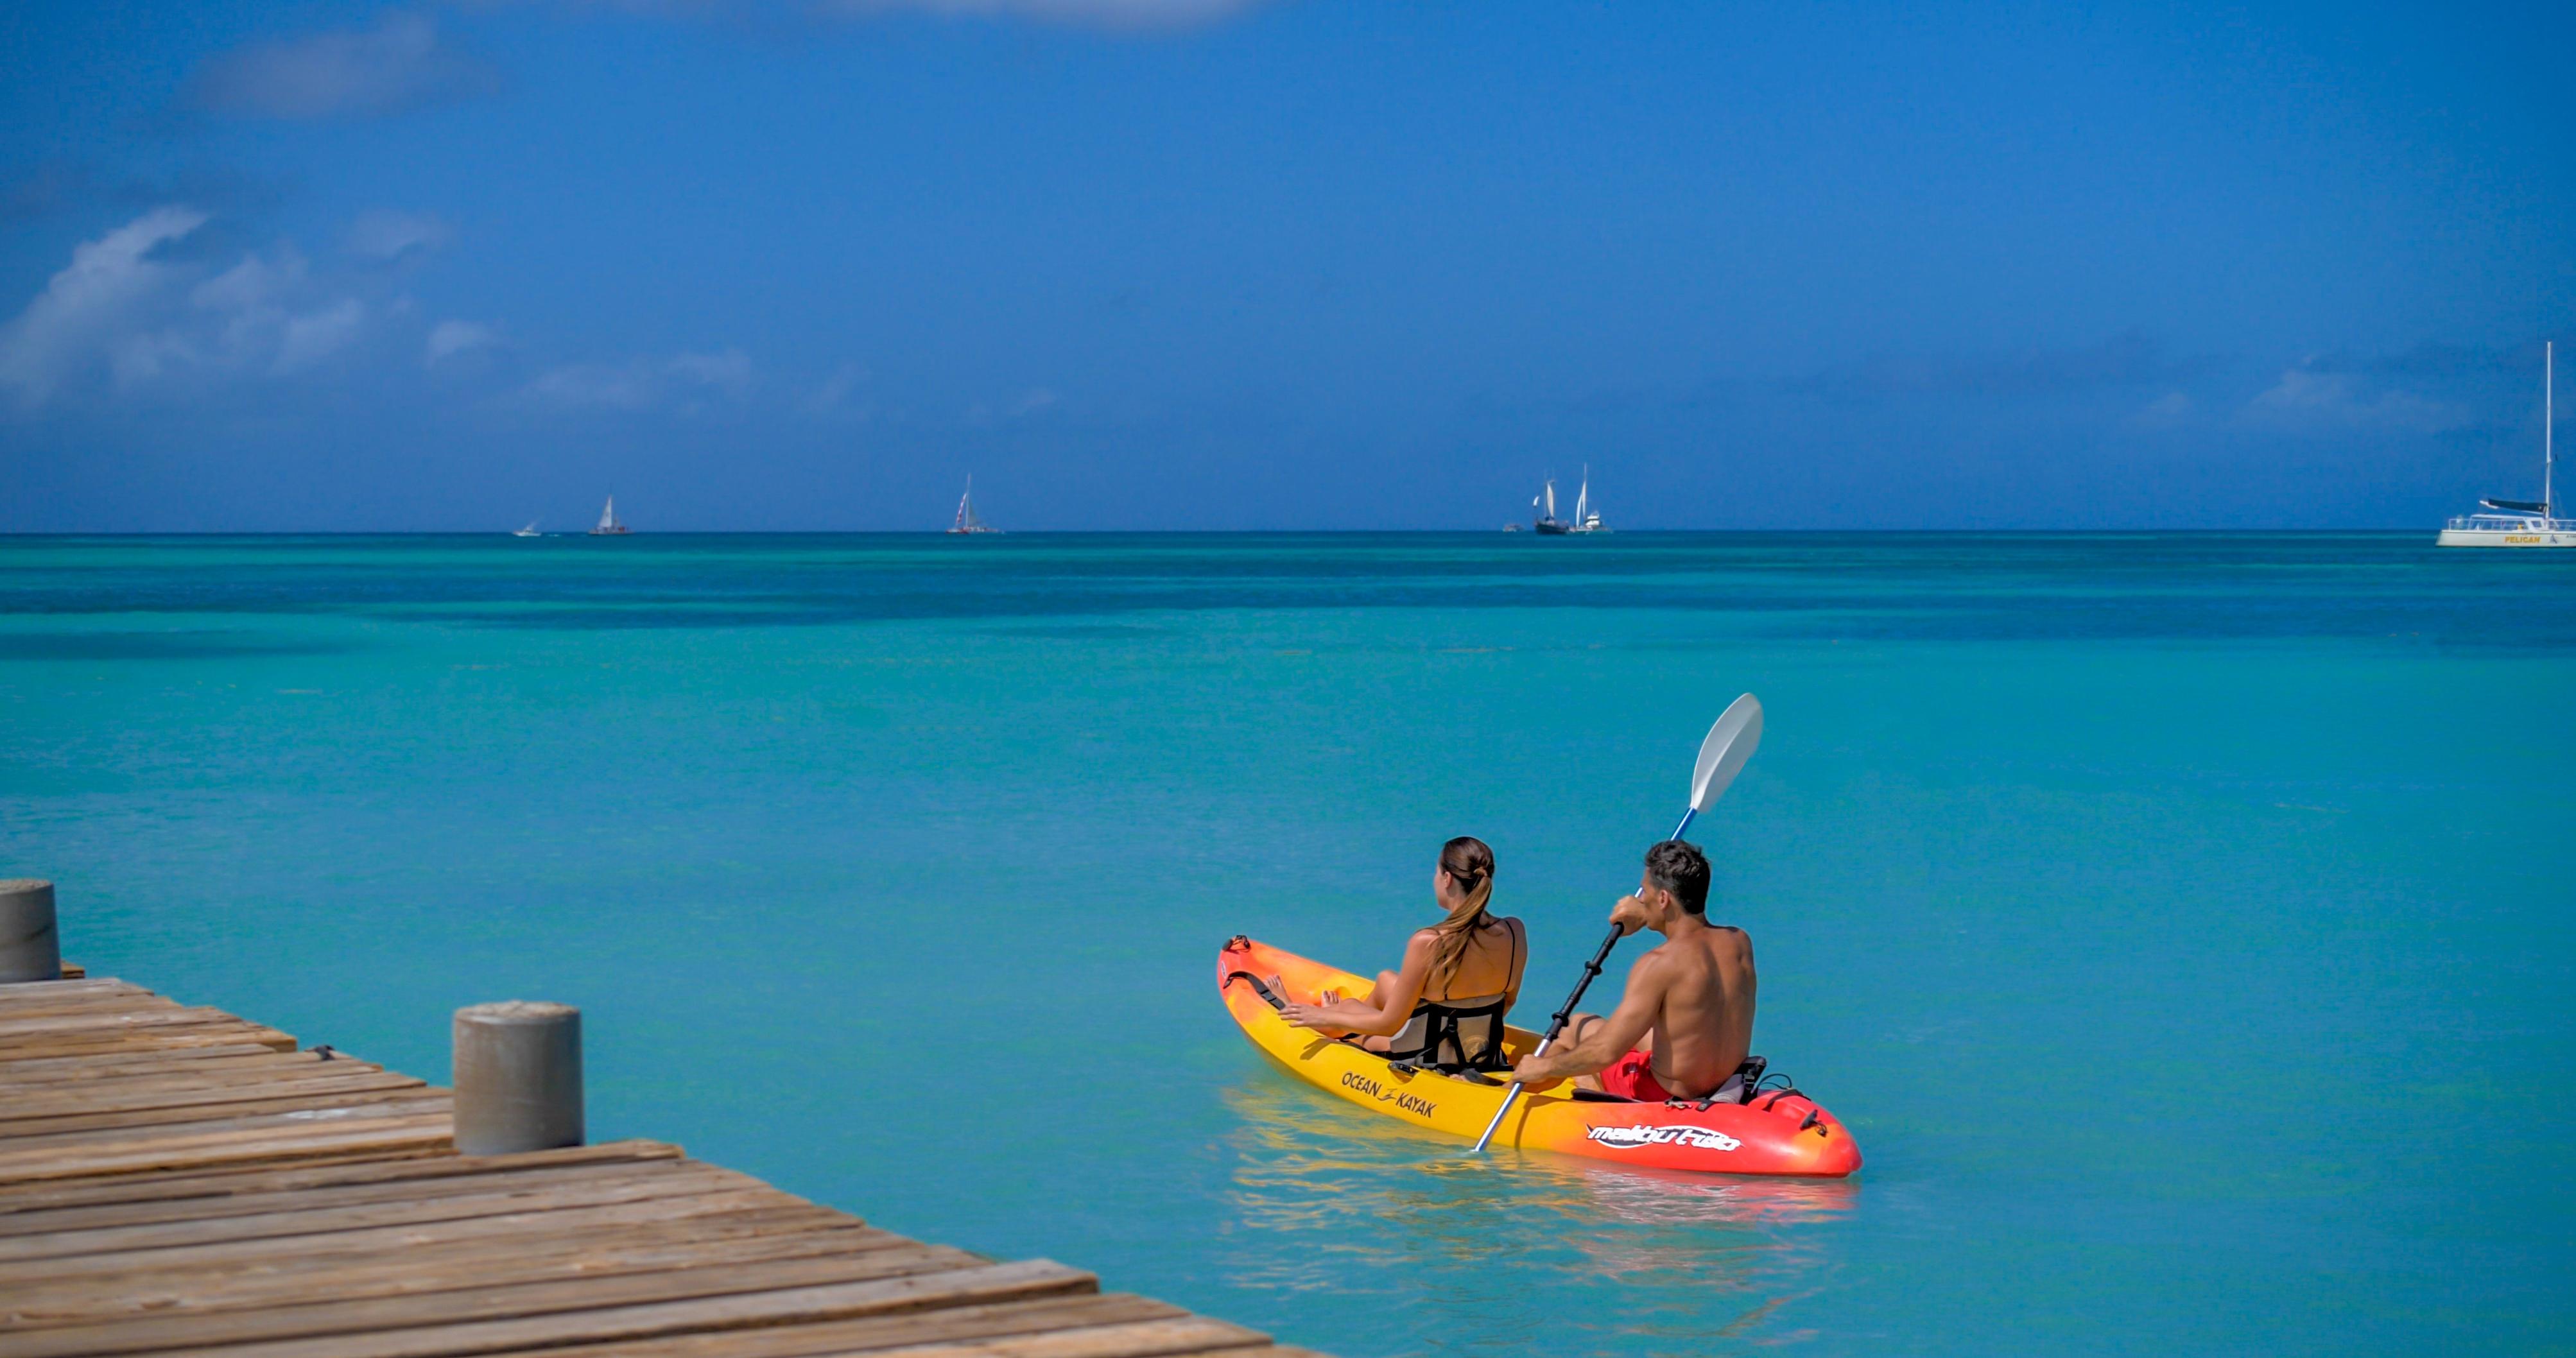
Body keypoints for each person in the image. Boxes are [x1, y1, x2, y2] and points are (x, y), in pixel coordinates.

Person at [1510, 839, 1756, 1103]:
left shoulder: (1659, 963)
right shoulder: (1739, 942)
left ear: (1663, 899)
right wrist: (1650, 915)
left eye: (1645, 892)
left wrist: (1542, 1067)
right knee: (1587, 1022)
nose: (1642, 898)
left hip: (1666, 1093)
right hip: (1723, 1085)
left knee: (1572, 1030)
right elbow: (1689, 942)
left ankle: (1507, 1095)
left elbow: (1605, 1053)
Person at [1274, 837, 1526, 1072]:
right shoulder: (1514, 931)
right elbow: (1509, 1002)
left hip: (1426, 1056)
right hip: (1482, 1052)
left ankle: (1318, 1020)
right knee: (1385, 980)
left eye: (1437, 872)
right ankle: (1337, 1017)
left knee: (1350, 1007)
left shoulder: (1430, 941)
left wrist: (1323, 1013)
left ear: (1447, 878)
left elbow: (1389, 1026)